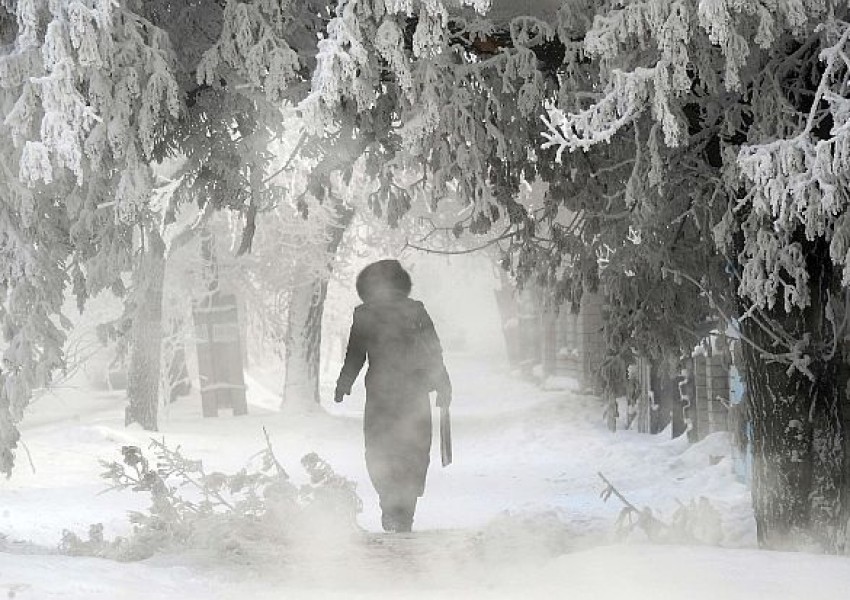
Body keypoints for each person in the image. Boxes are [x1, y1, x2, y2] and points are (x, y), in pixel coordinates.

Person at [334, 259, 451, 533]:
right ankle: (404, 511)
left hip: (380, 396)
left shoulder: (365, 314)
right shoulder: (415, 310)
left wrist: (344, 383)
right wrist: (443, 385)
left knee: (380, 448)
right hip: (413, 393)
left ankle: (390, 504)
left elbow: (354, 354)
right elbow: (433, 351)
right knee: (414, 450)